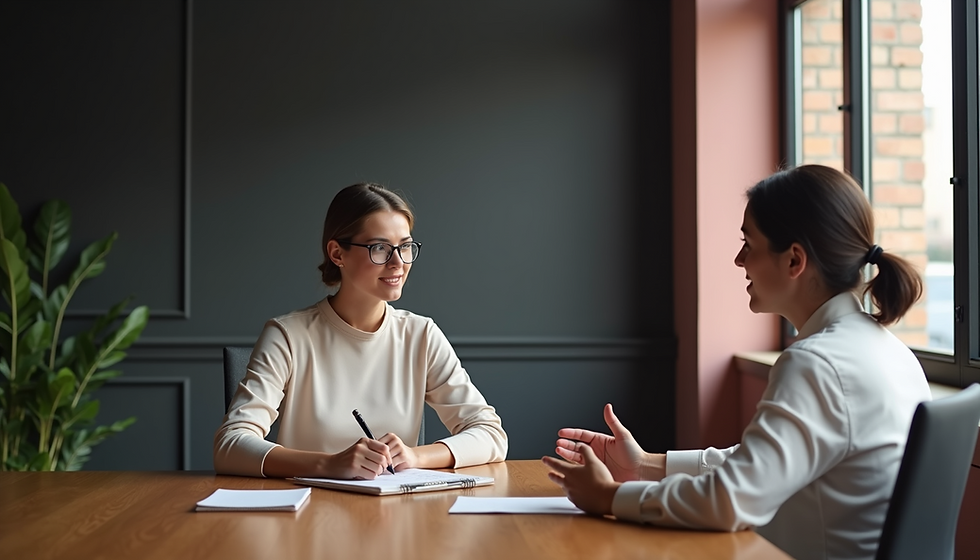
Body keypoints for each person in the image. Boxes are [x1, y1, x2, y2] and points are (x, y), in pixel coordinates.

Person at [542, 164, 931, 560]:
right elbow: (757, 465)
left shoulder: (816, 364)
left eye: (749, 243)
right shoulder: (889, 351)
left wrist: (608, 497)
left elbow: (730, 500)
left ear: (794, 260)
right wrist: (646, 464)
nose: (738, 260)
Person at [214, 182, 507, 479]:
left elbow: (491, 434)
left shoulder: (421, 335)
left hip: (398, 517)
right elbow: (230, 444)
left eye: (405, 247)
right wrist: (328, 465)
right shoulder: (287, 335)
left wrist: (415, 455)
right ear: (337, 253)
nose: (398, 263)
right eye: (379, 248)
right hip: (305, 516)